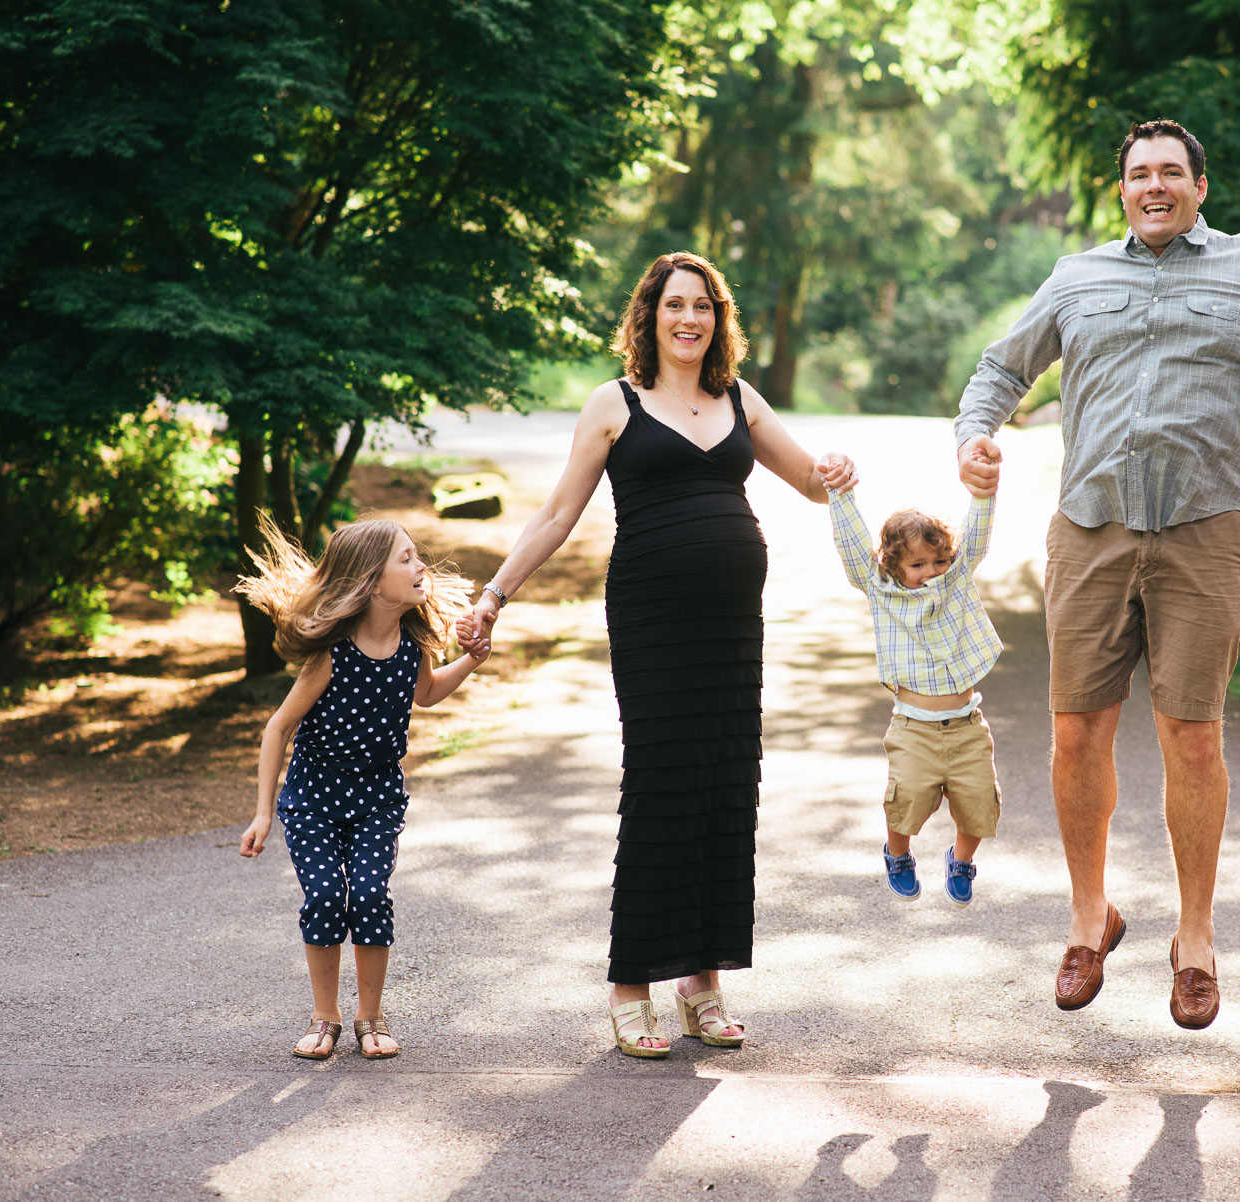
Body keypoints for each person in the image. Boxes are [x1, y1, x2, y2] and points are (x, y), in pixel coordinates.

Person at [954, 118, 1240, 1027]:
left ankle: (1195, 939)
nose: (1154, 186)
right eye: (1138, 174)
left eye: (1170, 172)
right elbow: (1001, 367)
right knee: (1077, 734)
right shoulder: (1079, 278)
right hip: (1091, 530)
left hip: (1204, 533)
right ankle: (1089, 919)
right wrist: (975, 438)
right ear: (1122, 190)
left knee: (1192, 737)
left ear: (1201, 185)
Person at [457, 251, 855, 1059]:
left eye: (703, 306)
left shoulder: (739, 397)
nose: (689, 319)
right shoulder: (615, 403)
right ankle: (631, 983)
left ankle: (703, 985)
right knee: (662, 786)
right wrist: (495, 593)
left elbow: (810, 482)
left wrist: (837, 470)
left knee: (724, 785)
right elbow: (558, 513)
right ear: (650, 315)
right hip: (653, 619)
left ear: (719, 318)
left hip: (733, 628)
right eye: (675, 305)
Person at [237, 519, 488, 1060]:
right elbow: (278, 728)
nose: (422, 567)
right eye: (407, 559)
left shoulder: (413, 643)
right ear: (372, 582)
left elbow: (426, 693)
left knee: (371, 895)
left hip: (377, 797)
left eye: (417, 556)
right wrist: (263, 814)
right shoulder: (332, 655)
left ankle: (370, 1017)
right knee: (326, 897)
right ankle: (323, 1016)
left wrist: (472, 658)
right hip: (313, 798)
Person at [827, 464, 1003, 907]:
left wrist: (983, 492)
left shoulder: (955, 581)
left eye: (939, 560)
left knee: (981, 804)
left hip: (965, 726)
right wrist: (840, 494)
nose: (932, 571)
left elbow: (976, 536)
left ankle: (961, 860)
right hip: (913, 728)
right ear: (892, 564)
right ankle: (898, 854)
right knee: (904, 802)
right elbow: (852, 548)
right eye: (918, 564)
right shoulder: (882, 591)